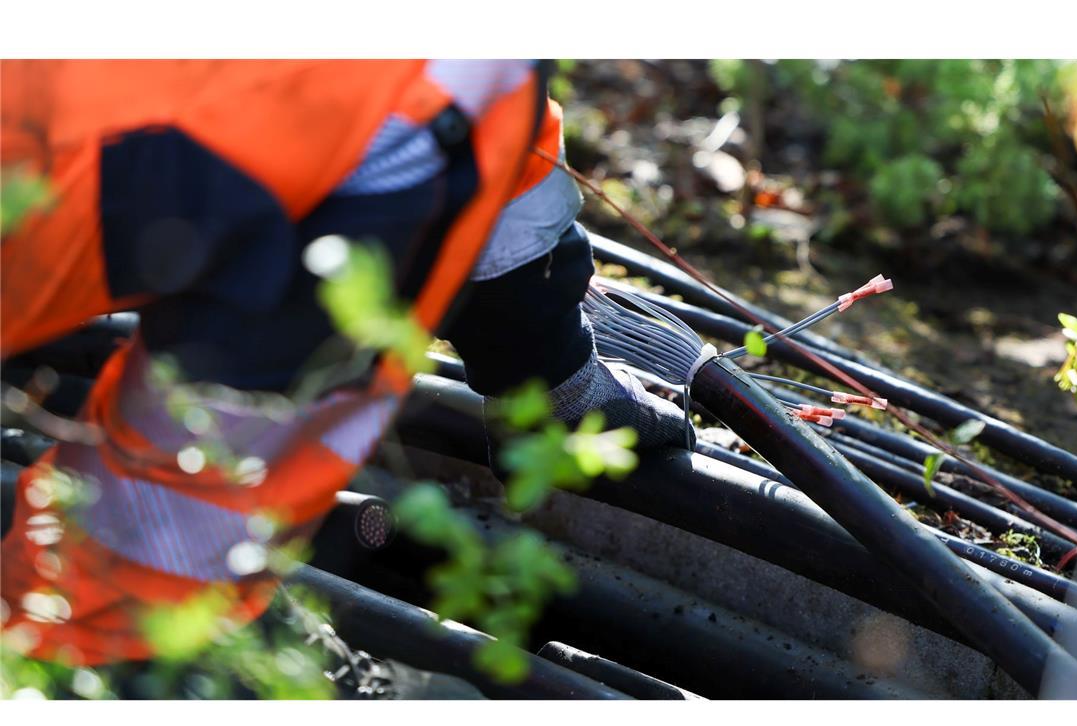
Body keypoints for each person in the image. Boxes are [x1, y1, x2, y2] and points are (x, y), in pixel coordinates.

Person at [0, 59, 689, 672]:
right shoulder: (409, 106)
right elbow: (180, 492)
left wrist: (552, 364)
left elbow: (494, 135)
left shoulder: (447, 78)